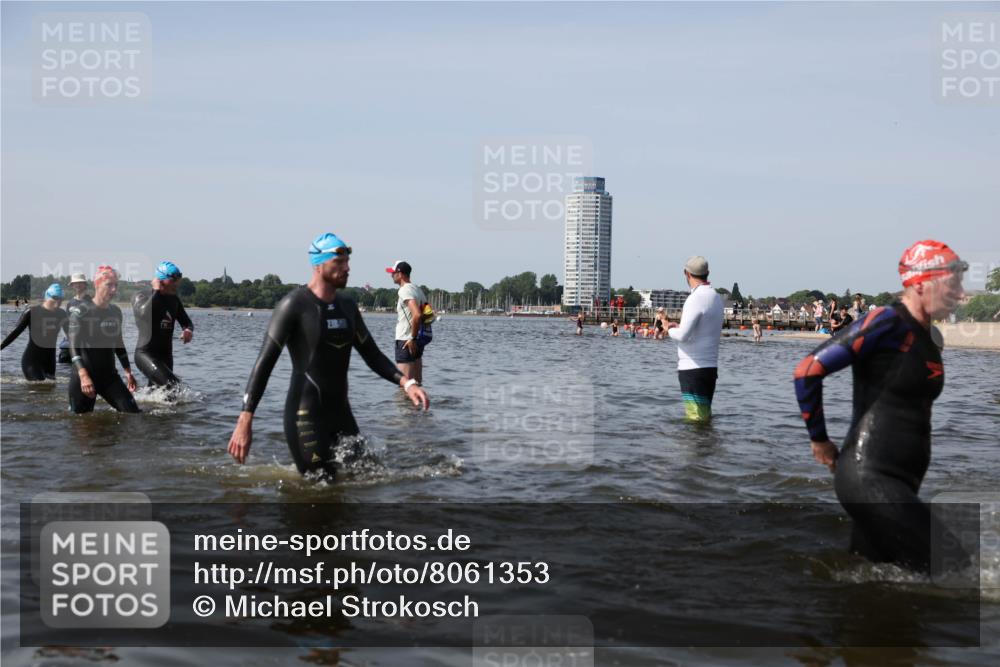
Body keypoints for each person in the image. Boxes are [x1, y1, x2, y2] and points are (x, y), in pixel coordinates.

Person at [793, 240, 968, 572]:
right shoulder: (886, 322)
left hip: (902, 480)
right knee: (956, 569)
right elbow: (806, 372)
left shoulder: (931, 337)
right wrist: (820, 440)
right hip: (869, 476)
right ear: (920, 283)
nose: (959, 294)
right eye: (952, 283)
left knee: (872, 579)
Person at [227, 234, 429, 479]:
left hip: (342, 413)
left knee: (371, 475)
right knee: (324, 487)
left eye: (347, 261)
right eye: (339, 262)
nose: (347, 268)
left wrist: (407, 383)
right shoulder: (294, 306)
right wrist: (245, 420)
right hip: (305, 416)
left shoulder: (347, 307)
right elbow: (264, 363)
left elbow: (372, 354)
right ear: (319, 264)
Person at [67, 266, 140, 413]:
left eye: (116, 285)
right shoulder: (81, 311)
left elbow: (118, 343)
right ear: (97, 284)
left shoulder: (116, 312)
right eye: (109, 285)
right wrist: (83, 375)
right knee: (82, 426)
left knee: (133, 414)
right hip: (84, 377)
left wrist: (127, 372)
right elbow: (73, 346)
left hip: (109, 377)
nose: (114, 290)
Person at [664, 256, 724, 422]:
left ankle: (699, 447)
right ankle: (707, 446)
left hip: (692, 369)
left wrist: (669, 328)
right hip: (710, 368)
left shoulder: (695, 298)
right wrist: (678, 327)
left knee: (695, 419)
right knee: (704, 417)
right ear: (707, 273)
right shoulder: (716, 297)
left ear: (686, 273)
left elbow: (683, 336)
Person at [132, 261, 194, 388]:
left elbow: (186, 322)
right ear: (161, 280)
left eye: (178, 280)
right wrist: (156, 292)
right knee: (174, 387)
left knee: (162, 394)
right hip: (145, 354)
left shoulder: (174, 300)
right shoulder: (141, 296)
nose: (177, 284)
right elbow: (143, 313)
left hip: (166, 356)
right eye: (174, 280)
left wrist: (188, 330)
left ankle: (145, 404)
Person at [1, 283, 68, 380]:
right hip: (32, 361)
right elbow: (14, 333)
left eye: (60, 300)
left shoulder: (61, 314)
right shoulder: (32, 312)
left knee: (50, 391)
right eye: (55, 299)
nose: (58, 303)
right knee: (38, 387)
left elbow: (72, 335)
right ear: (47, 297)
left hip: (50, 362)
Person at [387, 260, 430, 385]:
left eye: (393, 272)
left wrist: (411, 337)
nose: (391, 275)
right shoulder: (418, 289)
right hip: (417, 341)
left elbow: (417, 314)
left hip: (406, 341)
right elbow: (428, 316)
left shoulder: (404, 290)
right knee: (417, 384)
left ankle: (403, 406)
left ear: (400, 274)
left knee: (405, 387)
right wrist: (417, 338)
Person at [58, 273, 92, 363]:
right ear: (72, 285)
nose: (78, 285)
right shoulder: (70, 303)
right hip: (72, 341)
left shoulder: (91, 302)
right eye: (75, 283)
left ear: (85, 284)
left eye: (80, 282)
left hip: (87, 342)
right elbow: (67, 324)